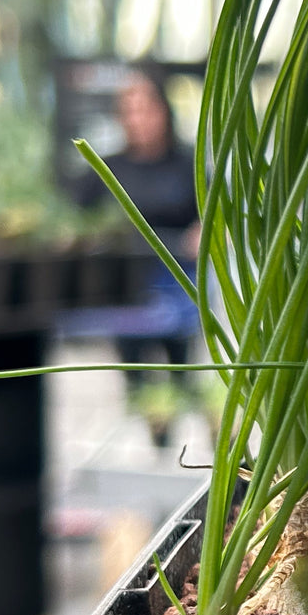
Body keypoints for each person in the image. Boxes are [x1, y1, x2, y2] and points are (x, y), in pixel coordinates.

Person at [67, 66, 201, 404]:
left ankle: (174, 436)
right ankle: (150, 427)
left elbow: (212, 217)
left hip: (177, 282)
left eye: (144, 109)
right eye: (128, 111)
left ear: (163, 111)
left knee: (181, 374)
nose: (137, 119)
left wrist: (202, 235)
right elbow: (74, 217)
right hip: (125, 286)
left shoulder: (188, 163)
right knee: (135, 378)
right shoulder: (105, 166)